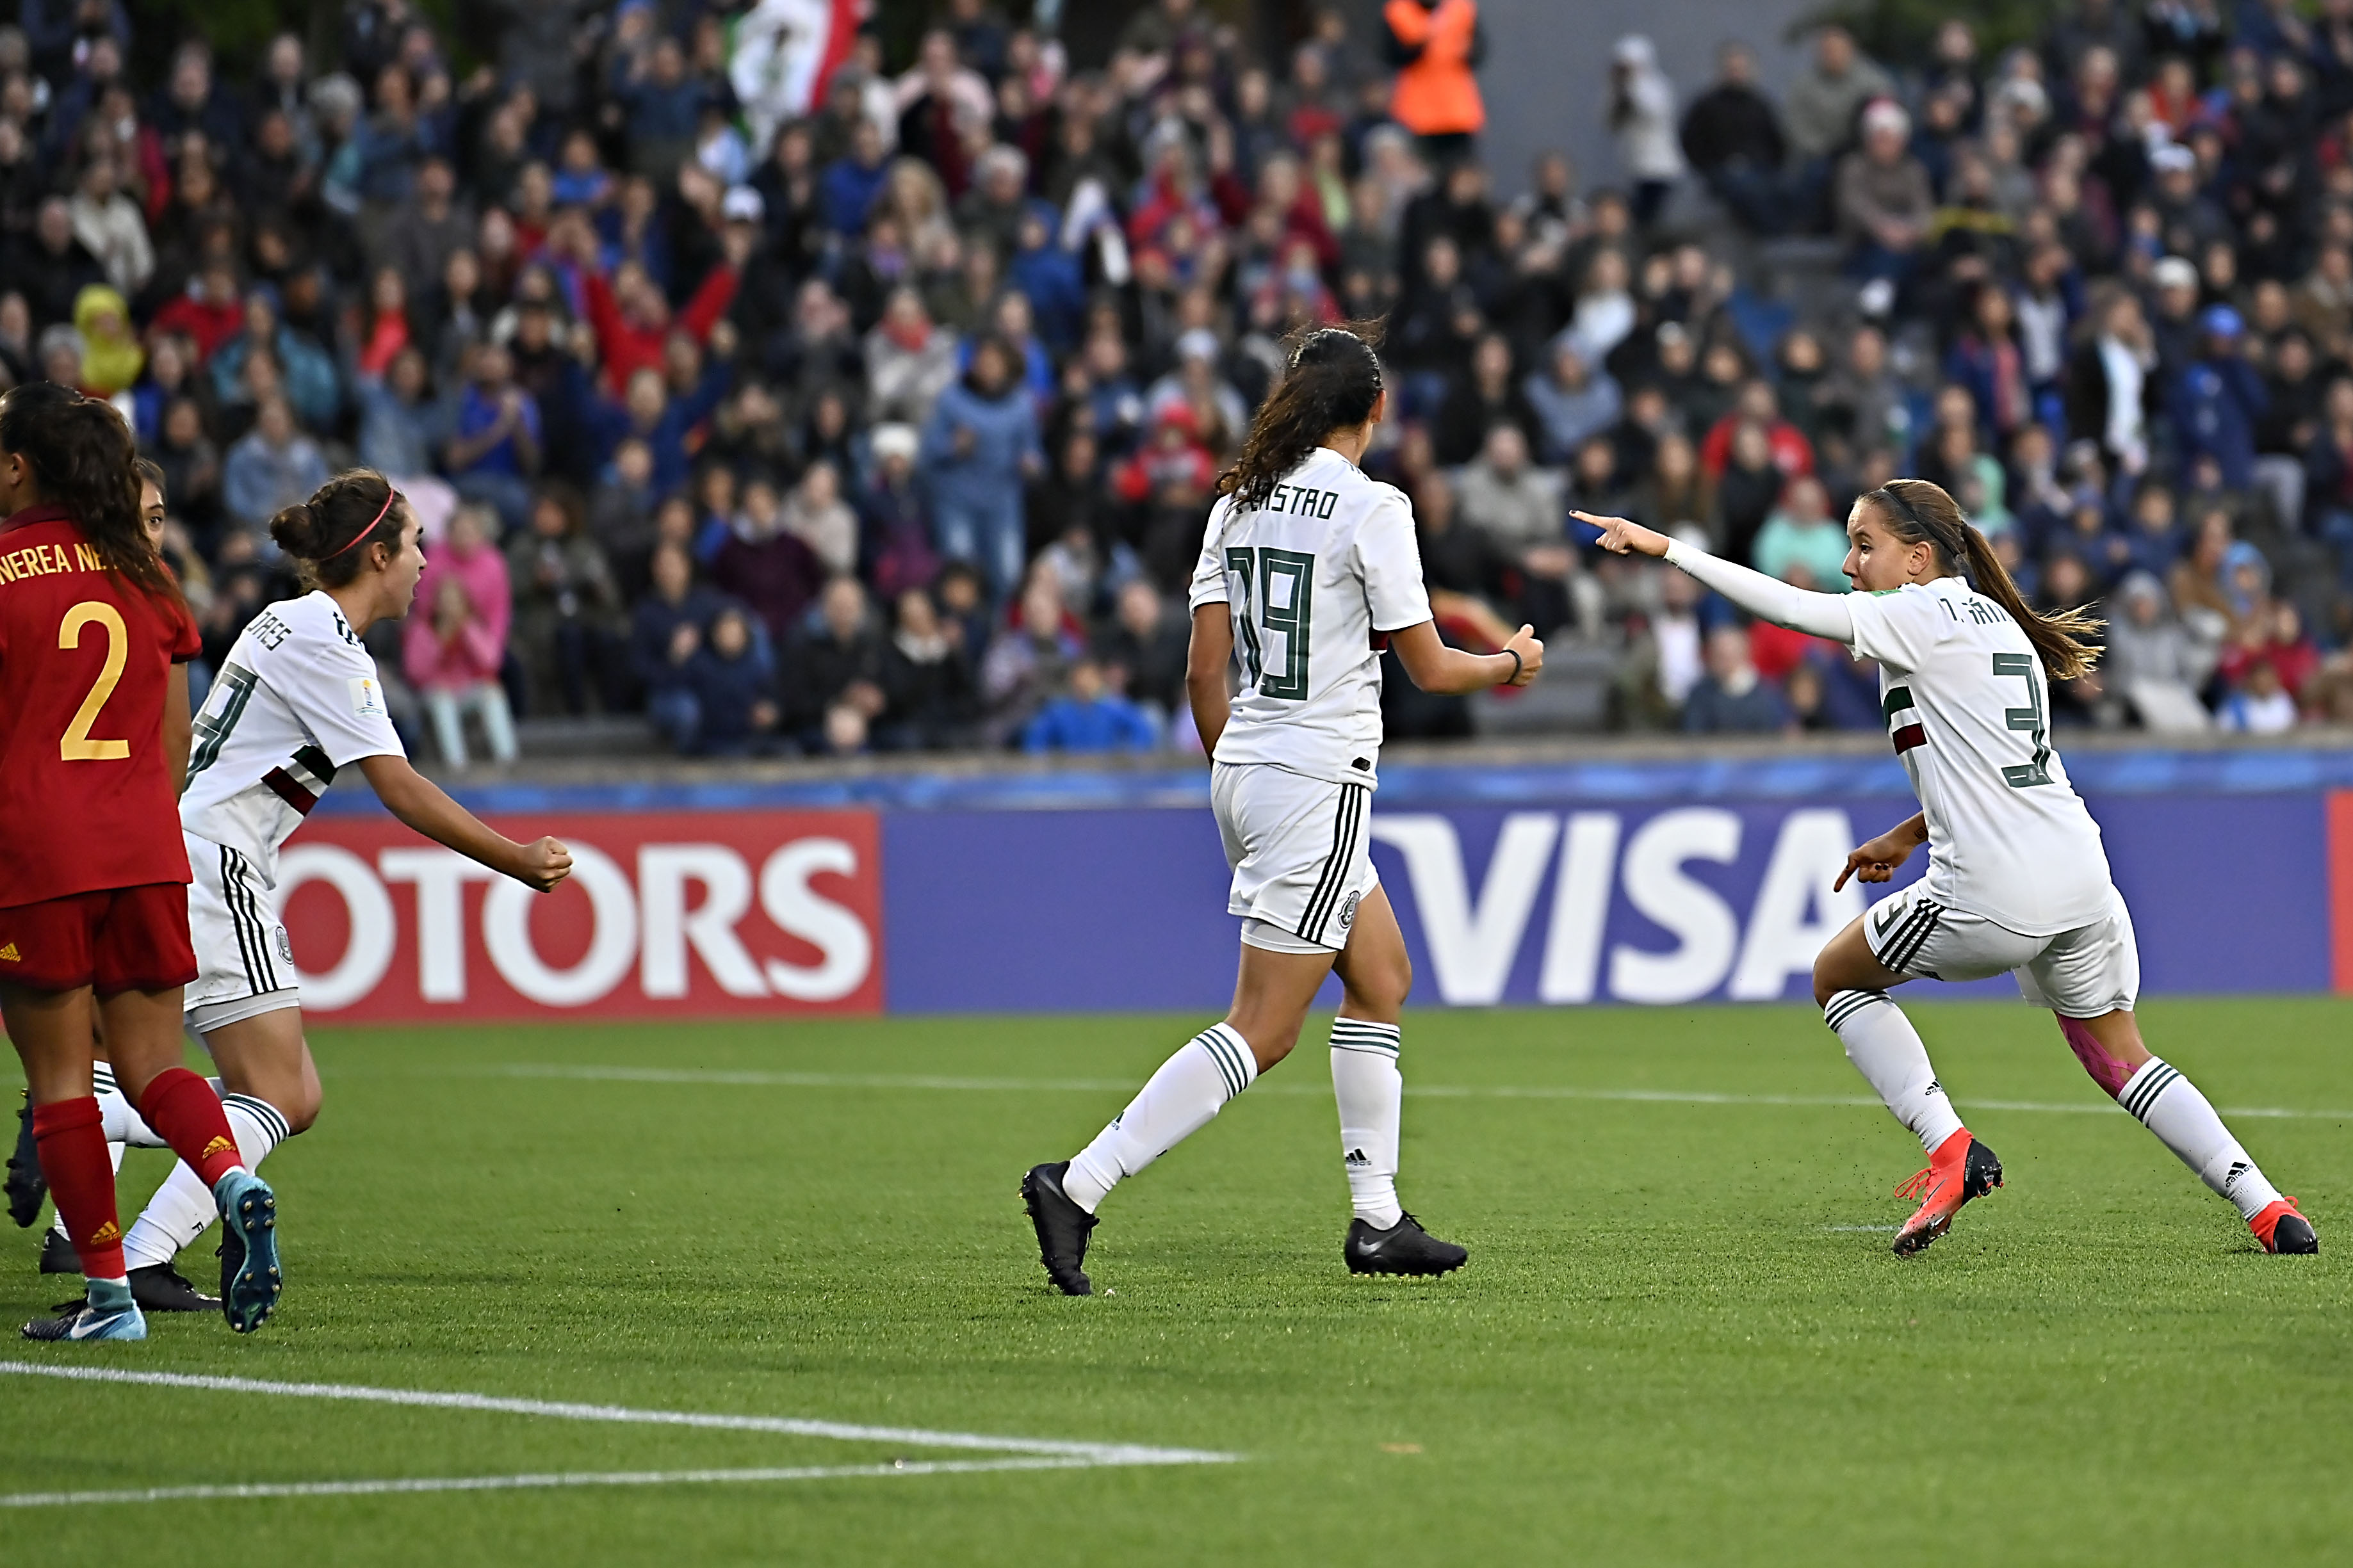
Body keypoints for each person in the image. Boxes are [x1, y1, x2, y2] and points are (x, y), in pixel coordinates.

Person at [1577, 479, 2316, 1258]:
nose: (1847, 564)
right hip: (2081, 877)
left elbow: (1790, 609)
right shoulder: (1996, 620)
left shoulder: (1917, 613)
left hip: (1993, 892)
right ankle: (2266, 1207)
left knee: (1836, 977)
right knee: (2119, 1057)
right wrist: (1907, 834)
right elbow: (1996, 769)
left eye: (1864, 545)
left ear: (1917, 558)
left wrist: (1669, 549)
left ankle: (1949, 1148)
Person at [1021, 325, 1545, 1297]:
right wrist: (1511, 662)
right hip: (1316, 778)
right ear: (1374, 410)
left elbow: (1201, 673)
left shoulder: (1238, 501)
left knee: (1380, 975)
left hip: (1245, 766)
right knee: (1263, 1027)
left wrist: (1245, 774)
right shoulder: (1372, 506)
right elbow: (1432, 668)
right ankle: (1079, 1183)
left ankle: (1377, 1220)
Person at [74, 470, 572, 1312]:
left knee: (290, 1095)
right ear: (377, 555)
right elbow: (399, 785)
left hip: (195, 853)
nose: (425, 562)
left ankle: (108, 1147)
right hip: (219, 863)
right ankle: (121, 1192)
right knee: (276, 1093)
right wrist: (515, 859)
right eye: (415, 544)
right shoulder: (325, 643)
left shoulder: (292, 621)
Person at [0, 384, 278, 1342]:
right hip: (146, 848)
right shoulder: (148, 577)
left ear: (19, 467)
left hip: (38, 850)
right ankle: (230, 1180)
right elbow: (173, 743)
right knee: (157, 1062)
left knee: (62, 1082)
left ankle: (111, 1300)